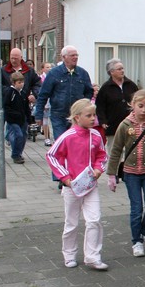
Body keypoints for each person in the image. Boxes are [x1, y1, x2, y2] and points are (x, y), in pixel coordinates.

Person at [46, 99, 109, 271]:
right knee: (71, 223)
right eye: (88, 115)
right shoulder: (67, 136)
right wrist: (65, 177)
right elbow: (51, 155)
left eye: (94, 115)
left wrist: (98, 169)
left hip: (91, 185)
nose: (93, 118)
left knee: (94, 219)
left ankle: (93, 256)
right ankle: (69, 254)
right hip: (72, 187)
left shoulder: (96, 135)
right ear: (77, 117)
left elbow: (102, 155)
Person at [107, 90, 145, 258]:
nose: (144, 110)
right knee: (136, 208)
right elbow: (116, 150)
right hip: (131, 174)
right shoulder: (125, 125)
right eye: (140, 106)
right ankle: (137, 241)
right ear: (132, 105)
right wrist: (111, 174)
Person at [35, 46, 93, 146]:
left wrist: (84, 105)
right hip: (58, 115)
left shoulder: (82, 73)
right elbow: (43, 94)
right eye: (72, 55)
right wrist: (39, 115)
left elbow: (89, 91)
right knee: (61, 142)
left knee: (75, 143)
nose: (75, 57)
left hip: (77, 116)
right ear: (64, 57)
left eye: (76, 55)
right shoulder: (54, 73)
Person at [95, 58, 139, 142]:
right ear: (111, 72)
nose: (122, 71)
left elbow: (139, 100)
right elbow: (100, 106)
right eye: (119, 69)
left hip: (131, 125)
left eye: (122, 68)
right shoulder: (105, 88)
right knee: (113, 149)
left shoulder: (131, 85)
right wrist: (103, 121)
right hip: (113, 126)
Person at [3, 72, 33, 164]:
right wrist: (14, 114)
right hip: (13, 120)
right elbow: (6, 106)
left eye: (22, 82)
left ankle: (19, 153)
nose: (21, 84)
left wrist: (29, 118)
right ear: (13, 83)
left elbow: (26, 107)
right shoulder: (10, 92)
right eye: (19, 83)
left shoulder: (23, 93)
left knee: (23, 136)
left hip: (22, 119)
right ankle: (15, 154)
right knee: (18, 135)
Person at [39, 62, 54, 145]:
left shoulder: (53, 77)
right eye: (47, 67)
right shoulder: (41, 78)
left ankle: (54, 137)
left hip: (52, 102)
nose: (49, 69)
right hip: (46, 101)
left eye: (50, 67)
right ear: (43, 69)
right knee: (45, 120)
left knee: (53, 120)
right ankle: (46, 138)